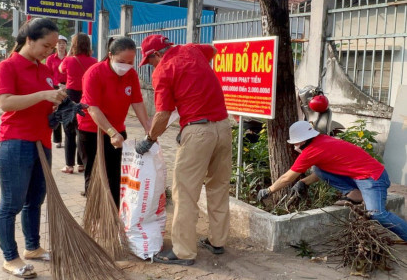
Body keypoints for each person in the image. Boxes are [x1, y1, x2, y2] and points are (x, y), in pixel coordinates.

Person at [136, 34, 232, 266]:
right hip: (224, 127)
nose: (151, 67)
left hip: (198, 133)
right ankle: (217, 241)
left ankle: (183, 252)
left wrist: (149, 138)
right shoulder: (192, 50)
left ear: (157, 54)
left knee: (185, 192)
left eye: (150, 62)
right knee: (218, 186)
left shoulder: (163, 70)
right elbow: (212, 48)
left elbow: (162, 114)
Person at [0, 18, 67, 278]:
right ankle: (10, 258)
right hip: (15, 143)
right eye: (46, 46)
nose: (49, 51)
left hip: (42, 143)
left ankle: (32, 248)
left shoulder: (46, 71)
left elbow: (44, 106)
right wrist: (44, 95)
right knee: (11, 204)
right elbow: (6, 103)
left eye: (53, 47)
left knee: (34, 201)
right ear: (29, 40)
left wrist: (59, 104)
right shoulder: (7, 66)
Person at [257, 120, 407, 242]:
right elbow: (321, 173)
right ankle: (355, 193)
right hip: (361, 177)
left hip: (372, 178)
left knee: (377, 214)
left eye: (296, 143)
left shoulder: (311, 151)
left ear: (302, 141)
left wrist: (268, 190)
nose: (295, 146)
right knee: (319, 169)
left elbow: (287, 177)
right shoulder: (322, 140)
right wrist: (304, 183)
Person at [78, 36, 150, 205]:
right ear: (110, 55)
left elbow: (137, 102)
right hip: (92, 131)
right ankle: (95, 217)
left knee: (116, 176)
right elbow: (93, 108)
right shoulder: (94, 73)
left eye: (130, 62)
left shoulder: (131, 74)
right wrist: (111, 132)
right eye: (121, 61)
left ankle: (115, 217)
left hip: (118, 131)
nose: (125, 66)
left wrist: (148, 126)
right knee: (95, 175)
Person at [58, 33, 97, 174]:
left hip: (71, 96)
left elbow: (60, 69)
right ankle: (81, 163)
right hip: (87, 96)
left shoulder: (69, 60)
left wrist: (69, 53)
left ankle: (69, 165)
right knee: (82, 130)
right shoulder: (94, 61)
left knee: (69, 131)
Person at [46, 34, 68, 149]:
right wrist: (58, 84)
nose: (61, 46)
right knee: (56, 113)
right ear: (56, 46)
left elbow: (72, 73)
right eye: (59, 43)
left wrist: (66, 85)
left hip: (68, 88)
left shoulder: (69, 58)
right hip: (55, 87)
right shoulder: (50, 59)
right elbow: (48, 74)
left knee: (67, 113)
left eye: (63, 43)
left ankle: (68, 138)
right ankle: (57, 139)